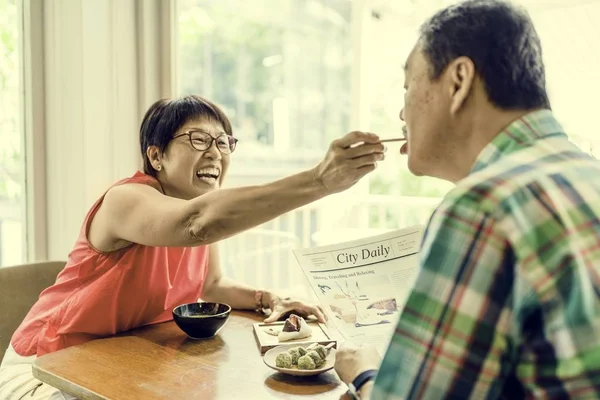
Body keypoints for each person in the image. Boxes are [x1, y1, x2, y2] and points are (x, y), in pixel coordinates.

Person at [0, 94, 386, 399]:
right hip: (46, 369)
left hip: (120, 362)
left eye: (223, 142)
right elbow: (197, 224)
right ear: (156, 155)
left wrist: (270, 296)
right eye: (198, 139)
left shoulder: (194, 212)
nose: (215, 152)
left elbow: (213, 285)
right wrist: (319, 180)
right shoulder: (125, 200)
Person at [334, 0, 600, 399]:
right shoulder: (586, 174)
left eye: (407, 87)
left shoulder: (484, 206)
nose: (401, 114)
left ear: (458, 81)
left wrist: (365, 374)